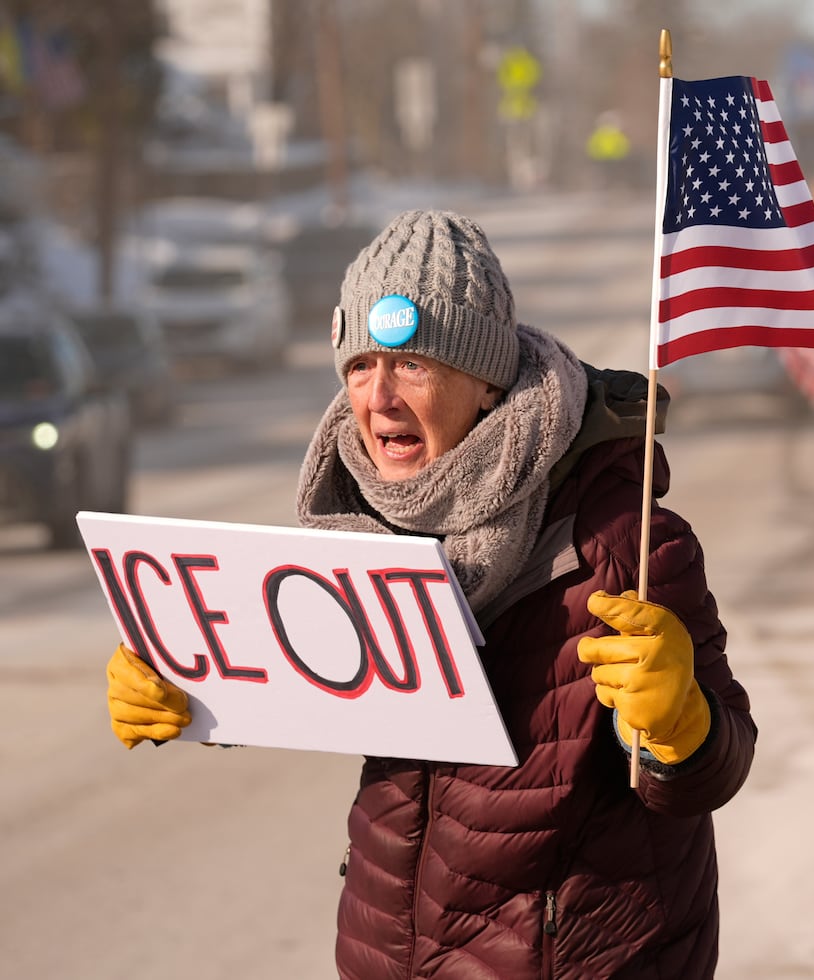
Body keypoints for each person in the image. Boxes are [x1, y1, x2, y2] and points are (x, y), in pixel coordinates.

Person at [105, 209, 757, 978]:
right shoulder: (361, 524)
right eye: (359, 366)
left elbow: (716, 769)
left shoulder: (622, 543)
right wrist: (191, 680)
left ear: (485, 384)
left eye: (412, 364)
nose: (378, 397)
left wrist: (683, 725)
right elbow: (314, 675)